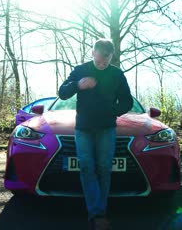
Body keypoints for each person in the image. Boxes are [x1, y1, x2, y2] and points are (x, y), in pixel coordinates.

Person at [58, 38, 133, 230]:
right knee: (86, 167)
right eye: (98, 60)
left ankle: (99, 210)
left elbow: (127, 101)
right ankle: (97, 213)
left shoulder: (117, 74)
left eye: (105, 62)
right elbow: (62, 92)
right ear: (93, 53)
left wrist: (113, 111)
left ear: (111, 57)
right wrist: (78, 85)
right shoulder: (81, 70)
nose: (101, 65)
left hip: (107, 128)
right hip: (83, 128)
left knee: (104, 169)